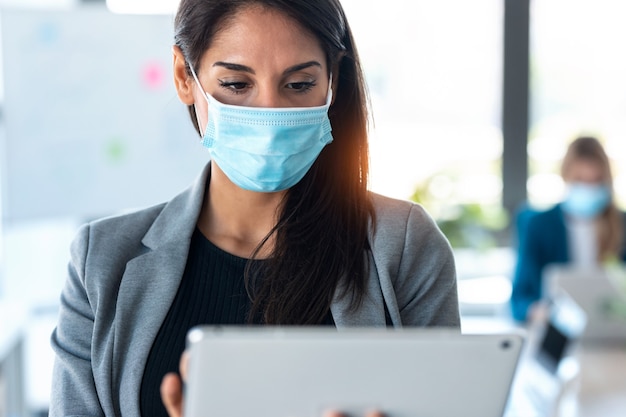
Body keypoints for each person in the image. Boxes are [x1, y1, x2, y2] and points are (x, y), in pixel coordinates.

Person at [49, 0, 460, 416]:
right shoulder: (100, 260)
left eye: (298, 85)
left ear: (333, 82)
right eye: (235, 84)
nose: (270, 113)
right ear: (183, 76)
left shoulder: (405, 245)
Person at [511, 136, 626, 323]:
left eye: (596, 181)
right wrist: (537, 312)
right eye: (580, 180)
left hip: (613, 334)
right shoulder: (539, 224)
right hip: (557, 330)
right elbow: (520, 299)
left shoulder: (622, 224)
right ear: (566, 177)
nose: (588, 188)